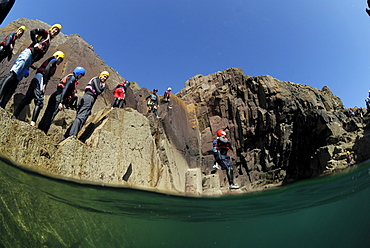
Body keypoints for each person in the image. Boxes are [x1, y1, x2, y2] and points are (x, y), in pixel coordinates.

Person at [0, 24, 62, 109]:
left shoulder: (48, 42)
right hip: (28, 54)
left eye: (57, 31)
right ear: (51, 29)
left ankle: (3, 104)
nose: (55, 31)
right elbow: (33, 31)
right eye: (54, 29)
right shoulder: (45, 33)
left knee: (16, 81)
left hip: (30, 60)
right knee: (13, 74)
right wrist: (36, 42)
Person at [12, 51, 65, 126]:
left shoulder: (51, 60)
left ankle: (14, 115)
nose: (60, 62)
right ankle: (33, 123)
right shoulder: (53, 60)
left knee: (27, 98)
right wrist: (44, 83)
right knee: (39, 101)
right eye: (61, 59)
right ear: (58, 57)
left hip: (36, 78)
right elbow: (47, 69)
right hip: (41, 79)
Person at [38, 66, 86, 134]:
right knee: (51, 116)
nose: (81, 77)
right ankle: (43, 132)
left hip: (55, 95)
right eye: (81, 75)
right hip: (59, 97)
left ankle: (39, 129)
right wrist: (61, 102)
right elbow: (65, 89)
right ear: (78, 73)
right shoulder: (72, 78)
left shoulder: (70, 77)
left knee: (47, 114)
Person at [63, 70, 109, 139]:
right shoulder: (96, 80)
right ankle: (72, 135)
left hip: (87, 98)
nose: (104, 78)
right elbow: (99, 91)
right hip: (89, 98)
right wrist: (103, 86)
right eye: (104, 76)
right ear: (101, 75)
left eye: (106, 78)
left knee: (80, 117)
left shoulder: (97, 81)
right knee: (81, 117)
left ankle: (67, 135)